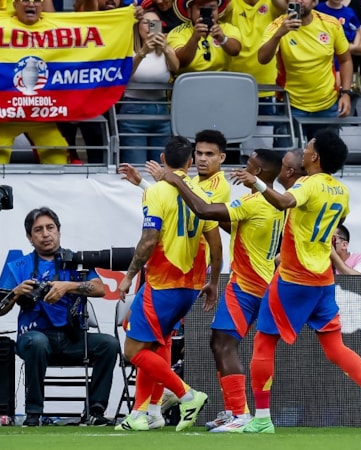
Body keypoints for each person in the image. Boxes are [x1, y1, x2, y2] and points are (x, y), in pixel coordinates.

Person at [243, 129, 361, 434]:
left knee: (264, 342)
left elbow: (285, 202)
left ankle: (261, 418)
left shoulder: (307, 184)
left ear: (314, 156)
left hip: (293, 277)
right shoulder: (342, 191)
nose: (304, 149)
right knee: (335, 347)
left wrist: (257, 183)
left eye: (308, 146)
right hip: (324, 280)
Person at [159, 149, 284, 432]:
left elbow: (203, 211)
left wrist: (177, 182)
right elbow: (234, 226)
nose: (243, 170)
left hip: (247, 286)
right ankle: (232, 411)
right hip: (255, 283)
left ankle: (240, 414)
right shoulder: (274, 203)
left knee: (224, 345)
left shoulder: (255, 203)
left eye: (249, 166)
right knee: (220, 342)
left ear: (260, 173)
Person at [116, 136, 222, 432]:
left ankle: (187, 395)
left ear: (162, 159)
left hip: (162, 283)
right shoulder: (200, 193)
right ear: (190, 163)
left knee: (134, 351)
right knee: (157, 343)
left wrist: (127, 275)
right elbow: (216, 245)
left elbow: (149, 239)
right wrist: (213, 281)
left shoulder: (157, 193)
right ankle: (147, 412)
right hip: (191, 285)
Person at [0, 207, 120, 427]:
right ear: (29, 237)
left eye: (50, 228)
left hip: (73, 338)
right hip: (34, 338)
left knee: (109, 344)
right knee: (37, 342)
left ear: (59, 231)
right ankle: (33, 412)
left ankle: (94, 410)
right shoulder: (18, 266)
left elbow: (101, 289)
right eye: (38, 230)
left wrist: (67, 287)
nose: (46, 234)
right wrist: (16, 292)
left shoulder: (76, 261)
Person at [0, 0, 71, 165]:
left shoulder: (56, 29)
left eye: (37, 1)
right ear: (14, 5)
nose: (32, 4)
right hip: (3, 114)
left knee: (58, 158)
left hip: (42, 114)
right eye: (26, 0)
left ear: (43, 6)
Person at [258, 0, 353, 145]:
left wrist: (346, 93)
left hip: (327, 105)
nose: (299, 1)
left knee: (325, 162)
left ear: (315, 2)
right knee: (287, 160)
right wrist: (279, 35)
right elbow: (262, 59)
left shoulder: (330, 24)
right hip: (291, 106)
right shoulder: (277, 26)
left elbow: (345, 60)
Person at [119, 9, 179, 165]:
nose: (151, 27)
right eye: (146, 22)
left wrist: (165, 48)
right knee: (136, 164)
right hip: (133, 109)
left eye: (155, 23)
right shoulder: (128, 49)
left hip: (161, 109)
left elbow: (175, 67)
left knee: (159, 165)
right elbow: (124, 74)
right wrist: (142, 52)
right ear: (138, 26)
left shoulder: (167, 48)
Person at [167, 0, 241, 75]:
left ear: (218, 10)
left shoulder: (227, 28)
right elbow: (180, 62)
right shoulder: (177, 33)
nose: (208, 13)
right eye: (201, 8)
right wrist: (194, 39)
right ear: (189, 12)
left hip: (221, 81)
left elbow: (235, 51)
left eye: (212, 8)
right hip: (189, 82)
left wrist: (223, 39)